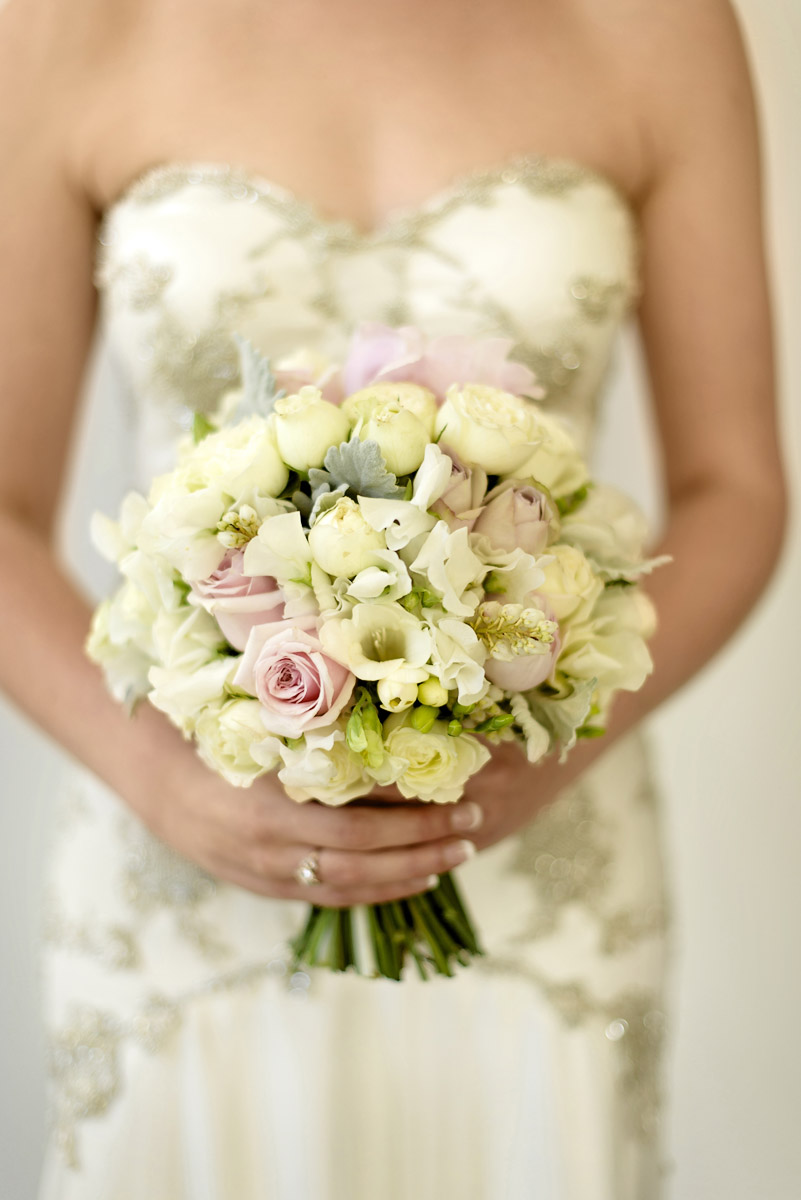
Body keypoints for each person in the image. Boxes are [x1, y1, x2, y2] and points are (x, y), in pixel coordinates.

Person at [0, 0, 788, 1196]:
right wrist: (170, 785)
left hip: (542, 836)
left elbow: (735, 487)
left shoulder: (660, 25)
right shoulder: (64, 23)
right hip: (178, 858)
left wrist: (554, 743)